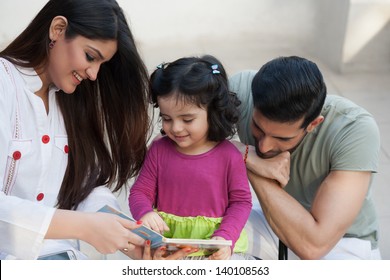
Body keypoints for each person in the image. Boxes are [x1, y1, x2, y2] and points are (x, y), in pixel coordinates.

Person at [0, 0, 194, 260]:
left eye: (102, 64)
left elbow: (83, 185)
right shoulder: (5, 84)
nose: (93, 74)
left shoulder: (70, 101)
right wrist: (85, 227)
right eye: (91, 56)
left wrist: (128, 237)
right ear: (57, 30)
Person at [229, 55, 381, 260]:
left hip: (342, 243)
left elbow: (314, 245)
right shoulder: (241, 90)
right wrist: (244, 152)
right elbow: (179, 129)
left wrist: (252, 164)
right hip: (271, 221)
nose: (264, 146)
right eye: (257, 127)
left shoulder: (354, 129)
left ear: (313, 124)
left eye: (282, 138)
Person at [129, 55, 253, 260]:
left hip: (216, 249)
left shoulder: (229, 155)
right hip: (171, 249)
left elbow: (241, 203)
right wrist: (145, 213)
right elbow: (140, 192)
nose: (176, 128)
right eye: (167, 119)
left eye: (187, 119)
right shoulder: (159, 150)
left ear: (212, 112)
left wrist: (225, 237)